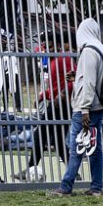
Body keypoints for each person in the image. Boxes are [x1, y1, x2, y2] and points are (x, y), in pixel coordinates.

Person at [50, 18, 103, 198]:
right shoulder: (101, 49)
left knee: (75, 144)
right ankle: (96, 187)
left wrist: (84, 109)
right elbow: (93, 76)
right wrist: (77, 76)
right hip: (98, 105)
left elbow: (90, 82)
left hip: (87, 107)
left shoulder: (89, 51)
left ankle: (66, 186)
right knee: (94, 147)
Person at [15, 34, 75, 181]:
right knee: (59, 142)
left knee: (39, 135)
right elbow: (57, 83)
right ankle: (74, 173)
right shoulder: (55, 59)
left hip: (62, 104)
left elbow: (75, 79)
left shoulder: (64, 58)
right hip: (57, 103)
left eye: (49, 45)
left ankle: (30, 168)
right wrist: (43, 95)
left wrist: (61, 95)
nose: (46, 48)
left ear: (60, 45)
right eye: (44, 45)